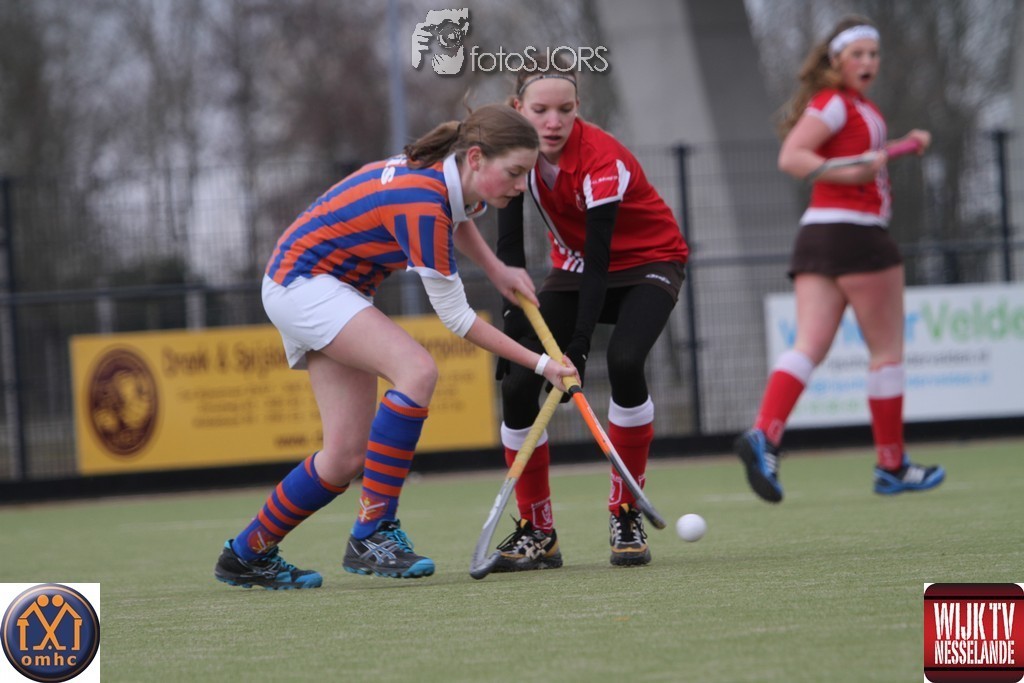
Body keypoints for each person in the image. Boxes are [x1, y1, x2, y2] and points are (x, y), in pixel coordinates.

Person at [214, 104, 577, 589]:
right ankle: (374, 531)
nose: (520, 185)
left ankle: (245, 555)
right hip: (305, 284)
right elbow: (458, 319)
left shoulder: (449, 181)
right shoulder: (422, 201)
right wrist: (543, 364)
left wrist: (496, 270)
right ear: (475, 158)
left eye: (526, 174)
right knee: (417, 371)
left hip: (323, 286)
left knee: (343, 458)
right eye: (513, 172)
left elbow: (459, 218)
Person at [734, 15, 945, 503]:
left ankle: (765, 435)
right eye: (858, 54)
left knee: (808, 346)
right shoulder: (834, 103)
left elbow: (858, 158)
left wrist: (904, 146)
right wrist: (849, 174)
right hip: (858, 234)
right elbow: (793, 157)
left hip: (819, 236)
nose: (868, 62)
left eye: (874, 54)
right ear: (836, 60)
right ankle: (892, 465)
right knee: (886, 353)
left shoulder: (855, 107)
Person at [490, 58, 689, 571]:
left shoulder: (602, 162)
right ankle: (539, 531)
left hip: (648, 262)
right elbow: (509, 250)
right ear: (519, 109)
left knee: (624, 361)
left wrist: (578, 346)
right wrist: (511, 327)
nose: (553, 121)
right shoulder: (514, 156)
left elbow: (601, 263)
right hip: (574, 267)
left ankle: (625, 512)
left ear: (578, 108)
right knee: (517, 383)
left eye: (565, 109)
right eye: (541, 110)